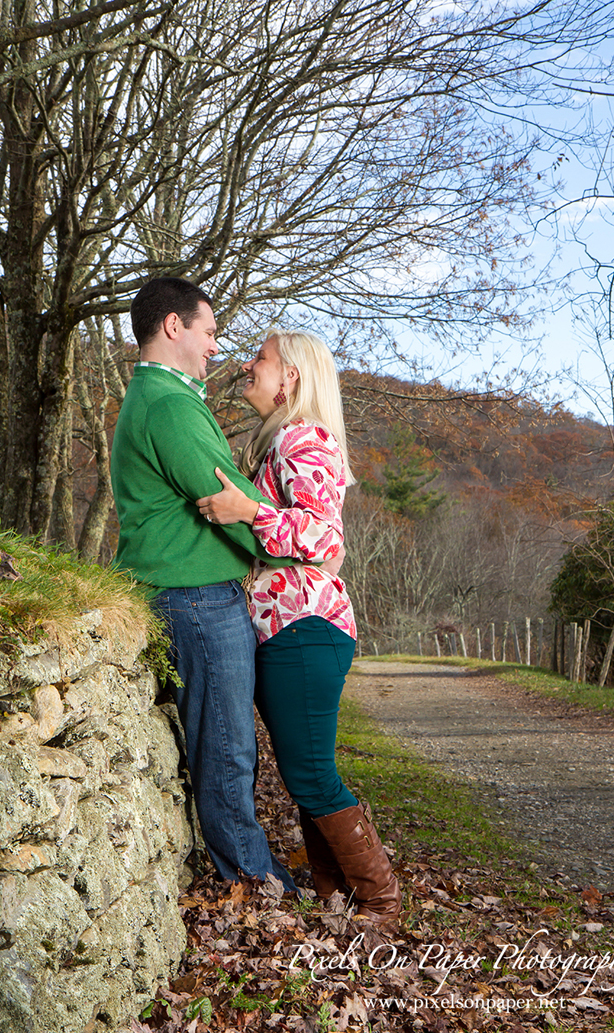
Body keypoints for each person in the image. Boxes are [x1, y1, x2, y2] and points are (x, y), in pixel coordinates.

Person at [195, 331, 402, 923]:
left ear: (291, 378)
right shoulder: (275, 441)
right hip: (287, 625)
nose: (247, 365)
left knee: (311, 773)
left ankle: (382, 900)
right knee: (302, 768)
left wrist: (248, 510)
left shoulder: (301, 436)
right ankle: (336, 892)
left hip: (305, 626)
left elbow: (325, 538)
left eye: (260, 358)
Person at [110, 276, 296, 890]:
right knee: (227, 747)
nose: (217, 346)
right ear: (174, 326)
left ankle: (246, 868)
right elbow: (225, 496)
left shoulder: (166, 398)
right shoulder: (166, 405)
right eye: (210, 331)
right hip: (194, 596)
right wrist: (293, 555)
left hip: (197, 592)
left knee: (227, 743)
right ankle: (252, 880)